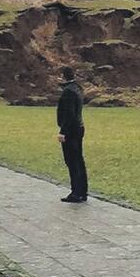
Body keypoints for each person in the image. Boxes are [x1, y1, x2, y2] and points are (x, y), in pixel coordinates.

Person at [56, 66, 88, 203]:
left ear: (63, 77)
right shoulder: (77, 88)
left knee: (72, 161)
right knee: (79, 160)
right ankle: (82, 191)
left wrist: (63, 132)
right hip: (79, 127)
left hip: (71, 130)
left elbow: (69, 114)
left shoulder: (68, 92)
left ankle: (76, 192)